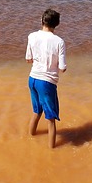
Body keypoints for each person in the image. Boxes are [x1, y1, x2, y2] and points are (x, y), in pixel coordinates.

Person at [27, 8, 67, 149]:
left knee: (36, 112)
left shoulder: (31, 36)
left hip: (32, 79)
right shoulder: (59, 42)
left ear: (42, 20)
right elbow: (62, 67)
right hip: (46, 83)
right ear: (57, 24)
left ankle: (29, 138)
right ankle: (52, 151)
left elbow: (28, 59)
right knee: (51, 119)